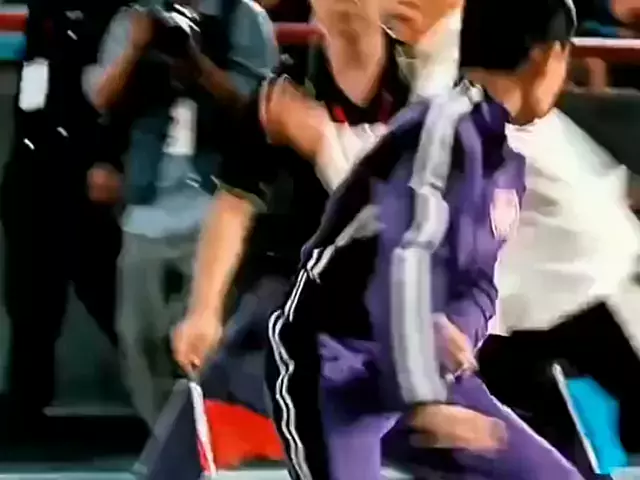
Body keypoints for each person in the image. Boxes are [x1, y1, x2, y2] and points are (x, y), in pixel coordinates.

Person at [172, 0, 409, 393]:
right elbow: (233, 205)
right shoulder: (280, 93)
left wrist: (323, 143)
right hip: (290, 293)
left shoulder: (427, 87)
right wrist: (204, 310)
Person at [82, 0, 278, 427]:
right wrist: (137, 48)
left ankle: (208, 444)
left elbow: (262, 107)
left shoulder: (242, 17)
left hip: (216, 208)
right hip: (145, 205)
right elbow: (100, 97)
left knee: (210, 347)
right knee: (139, 341)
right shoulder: (136, 17)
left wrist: (198, 65)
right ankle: (167, 440)